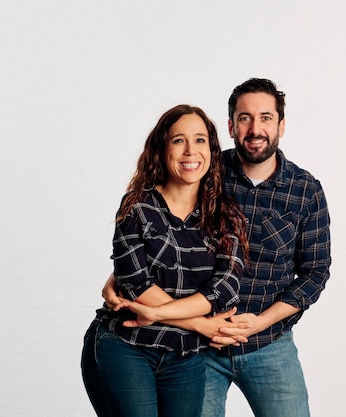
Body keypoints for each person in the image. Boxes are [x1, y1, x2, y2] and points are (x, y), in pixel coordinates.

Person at [103, 78, 331, 417]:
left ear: (281, 125)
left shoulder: (305, 190)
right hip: (198, 347)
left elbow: (314, 274)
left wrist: (259, 322)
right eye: (245, 118)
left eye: (266, 117)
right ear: (230, 126)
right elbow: (159, 231)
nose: (255, 128)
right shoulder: (206, 170)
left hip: (269, 344)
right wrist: (119, 276)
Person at [81, 104, 249, 417]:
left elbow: (223, 289)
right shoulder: (138, 206)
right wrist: (202, 325)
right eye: (178, 140)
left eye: (200, 140)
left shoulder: (226, 215)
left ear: (211, 151)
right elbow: (135, 284)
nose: (190, 151)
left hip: (186, 358)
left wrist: (157, 313)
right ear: (162, 148)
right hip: (126, 346)